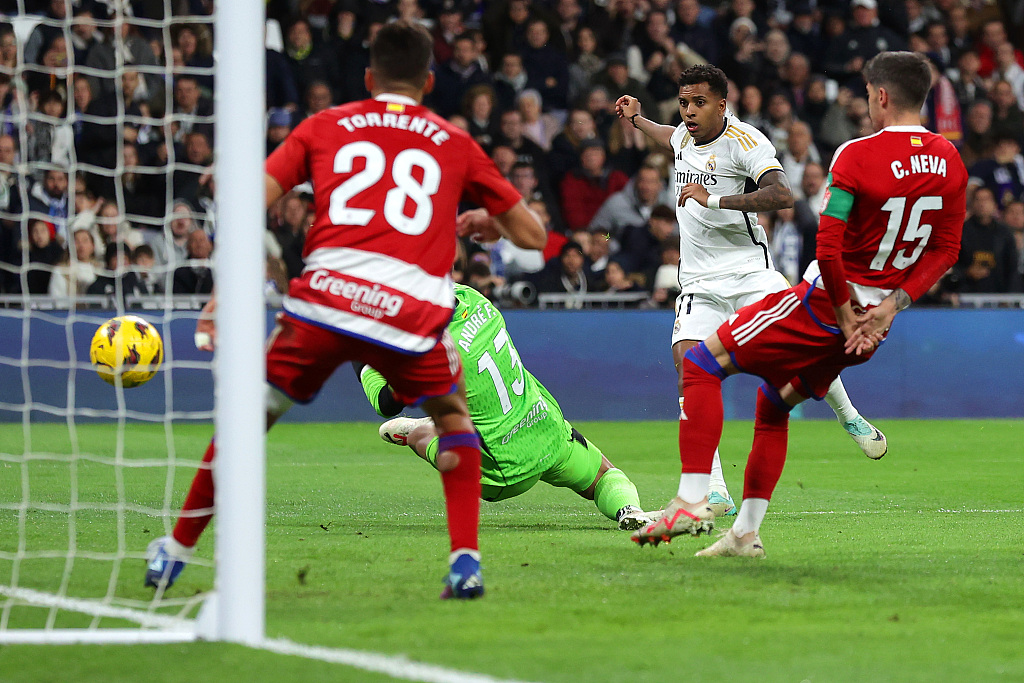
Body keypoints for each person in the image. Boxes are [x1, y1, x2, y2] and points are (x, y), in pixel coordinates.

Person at [143, 21, 545, 600]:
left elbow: (245, 200)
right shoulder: (454, 142)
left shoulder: (324, 125)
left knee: (246, 420)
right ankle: (464, 564)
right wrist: (490, 221)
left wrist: (222, 295)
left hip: (326, 300)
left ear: (366, 78)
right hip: (410, 311)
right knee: (455, 423)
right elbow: (533, 236)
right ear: (429, 81)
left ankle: (175, 553)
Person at [631, 52, 966, 556]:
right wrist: (892, 306)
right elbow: (946, 250)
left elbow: (828, 247)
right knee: (772, 402)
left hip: (821, 304)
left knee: (700, 365)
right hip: (873, 327)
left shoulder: (855, 156)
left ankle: (693, 499)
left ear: (880, 96)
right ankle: (744, 534)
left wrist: (840, 307)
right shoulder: (951, 160)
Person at [614, 63, 887, 520]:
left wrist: (714, 200)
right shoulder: (683, 135)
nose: (689, 112)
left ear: (722, 104)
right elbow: (669, 136)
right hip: (698, 281)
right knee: (689, 368)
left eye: (699, 103)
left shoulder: (747, 142)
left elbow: (782, 196)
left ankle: (850, 416)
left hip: (748, 273)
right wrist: (638, 120)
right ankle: (715, 491)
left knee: (802, 353)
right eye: (684, 102)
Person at [361, 284, 655, 531]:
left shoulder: (435, 353)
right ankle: (629, 510)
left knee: (422, 435)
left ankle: (420, 429)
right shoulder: (476, 300)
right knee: (604, 474)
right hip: (547, 431)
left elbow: (386, 404)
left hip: (502, 472)